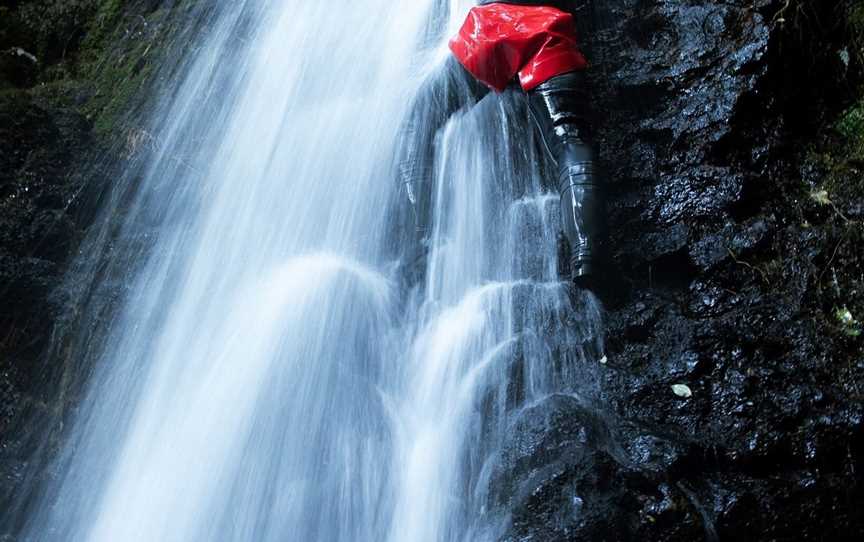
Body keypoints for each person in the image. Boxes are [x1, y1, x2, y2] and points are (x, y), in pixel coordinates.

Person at [398, 0, 605, 290]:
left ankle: (426, 238)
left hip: (490, 30)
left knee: (418, 123)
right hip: (547, 33)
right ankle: (586, 252)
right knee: (569, 139)